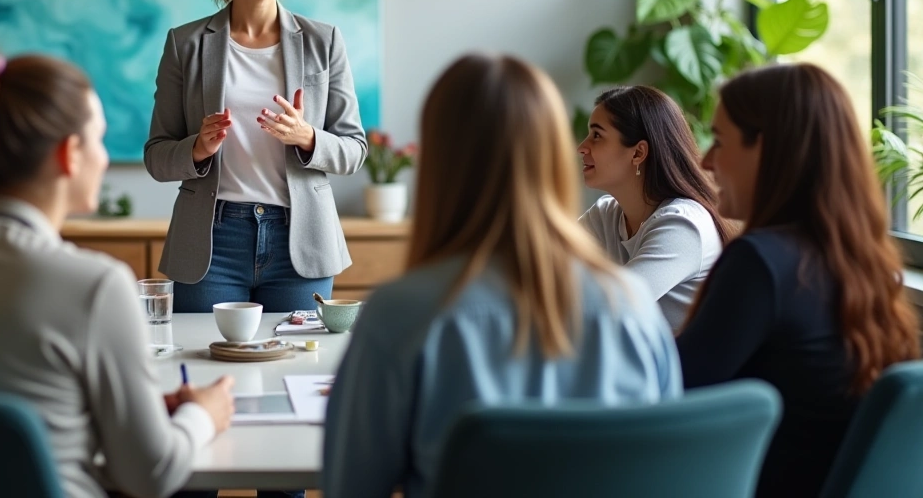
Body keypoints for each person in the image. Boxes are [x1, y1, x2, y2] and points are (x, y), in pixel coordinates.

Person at [0, 46, 235, 498]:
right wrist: (204, 416)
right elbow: (150, 474)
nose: (104, 158)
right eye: (99, 139)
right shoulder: (94, 285)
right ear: (70, 154)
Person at [323, 54, 680, 498]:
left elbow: (351, 486)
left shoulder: (401, 313)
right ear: (550, 152)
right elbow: (664, 469)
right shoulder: (631, 305)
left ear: (440, 161)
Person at [677, 64, 920, 497]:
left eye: (720, 139)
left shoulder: (760, 262)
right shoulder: (863, 260)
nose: (705, 161)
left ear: (767, 150)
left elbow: (669, 396)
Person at [145, 0, 367, 314]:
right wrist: (197, 148)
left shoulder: (324, 42)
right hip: (212, 242)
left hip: (301, 241)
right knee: (209, 366)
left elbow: (354, 152)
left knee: (296, 370)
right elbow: (156, 157)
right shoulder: (185, 44)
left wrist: (307, 137)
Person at [577, 86, 733, 331]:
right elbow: (543, 262)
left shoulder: (683, 225)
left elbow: (609, 307)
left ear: (638, 152)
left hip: (686, 369)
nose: (582, 147)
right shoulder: (606, 215)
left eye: (597, 136)